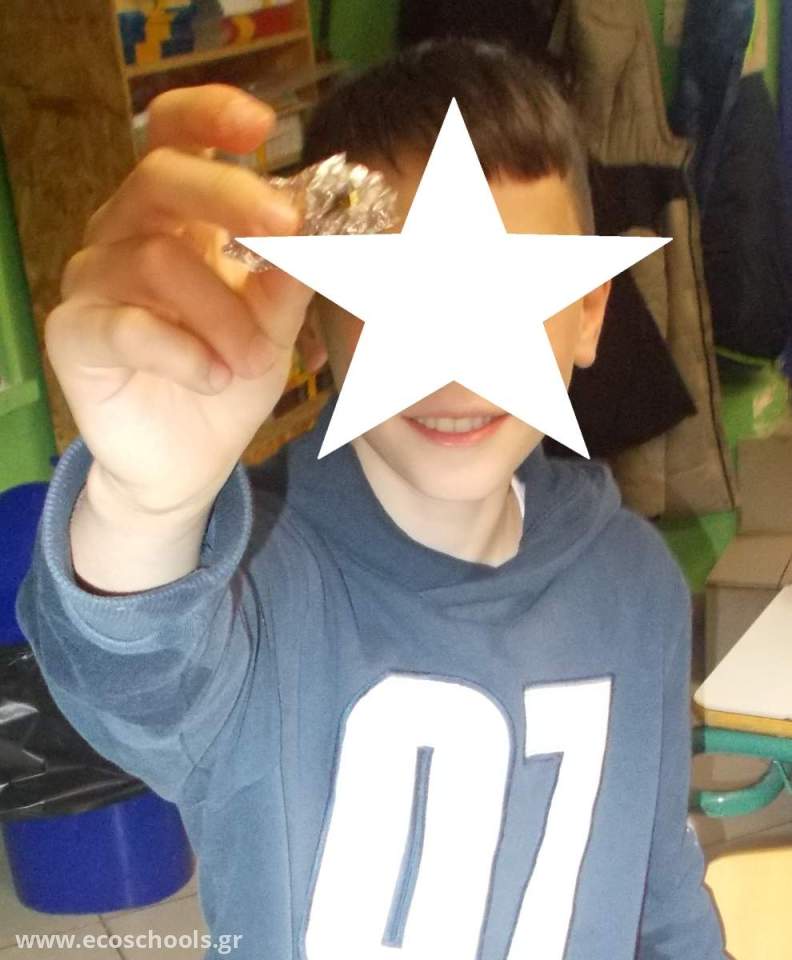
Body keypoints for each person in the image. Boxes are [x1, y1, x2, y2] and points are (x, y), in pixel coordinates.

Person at [16, 39, 725, 960]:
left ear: (587, 311)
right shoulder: (253, 587)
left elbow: (659, 886)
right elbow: (134, 675)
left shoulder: (638, 586)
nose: (456, 364)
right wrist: (145, 509)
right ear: (319, 317)